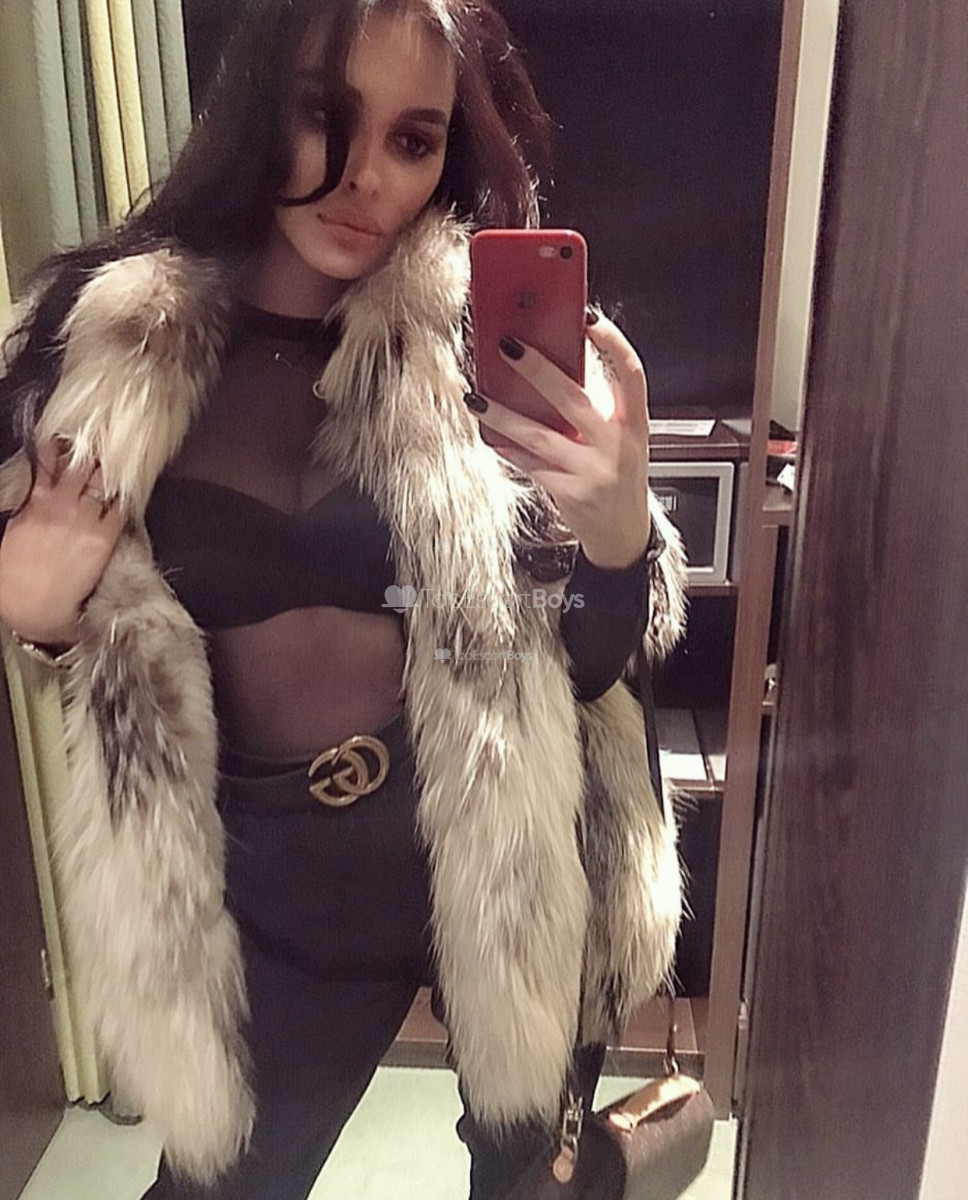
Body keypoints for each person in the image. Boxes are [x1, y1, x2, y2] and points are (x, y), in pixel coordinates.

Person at [0, 1, 687, 1197]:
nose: (366, 179)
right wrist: (42, 614)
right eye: (325, 116)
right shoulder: (105, 349)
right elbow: (89, 632)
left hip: (510, 846)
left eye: (413, 140)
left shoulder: (481, 346)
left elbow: (585, 671)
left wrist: (620, 537)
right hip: (274, 878)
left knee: (526, 1181)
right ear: (253, 108)